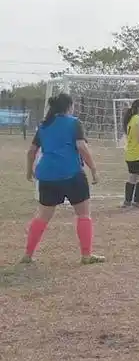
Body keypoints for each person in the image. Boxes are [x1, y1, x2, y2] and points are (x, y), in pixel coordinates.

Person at [21, 92, 105, 264]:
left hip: (46, 176)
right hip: (71, 174)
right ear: (69, 106)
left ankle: (28, 255)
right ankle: (86, 255)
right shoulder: (74, 123)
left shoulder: (43, 126)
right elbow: (81, 147)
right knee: (83, 214)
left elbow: (31, 151)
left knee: (42, 216)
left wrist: (30, 172)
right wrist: (94, 169)